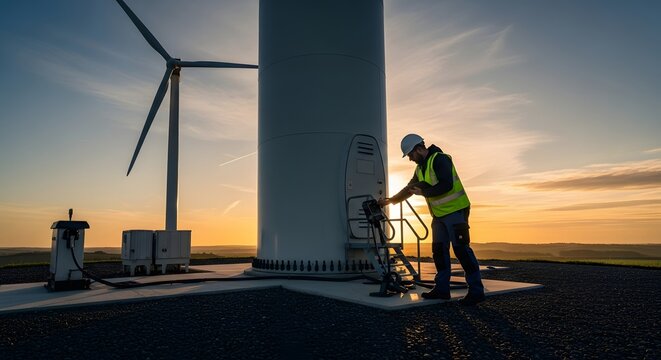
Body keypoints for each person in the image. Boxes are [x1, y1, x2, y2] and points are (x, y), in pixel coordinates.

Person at [378, 134, 486, 305]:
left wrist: (424, 193)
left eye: (411, 155)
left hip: (456, 211)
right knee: (439, 252)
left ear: (419, 149)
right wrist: (391, 201)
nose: (411, 159)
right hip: (439, 215)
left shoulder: (440, 159)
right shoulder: (420, 169)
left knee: (462, 251)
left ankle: (476, 291)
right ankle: (442, 290)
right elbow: (409, 189)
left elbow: (446, 184)